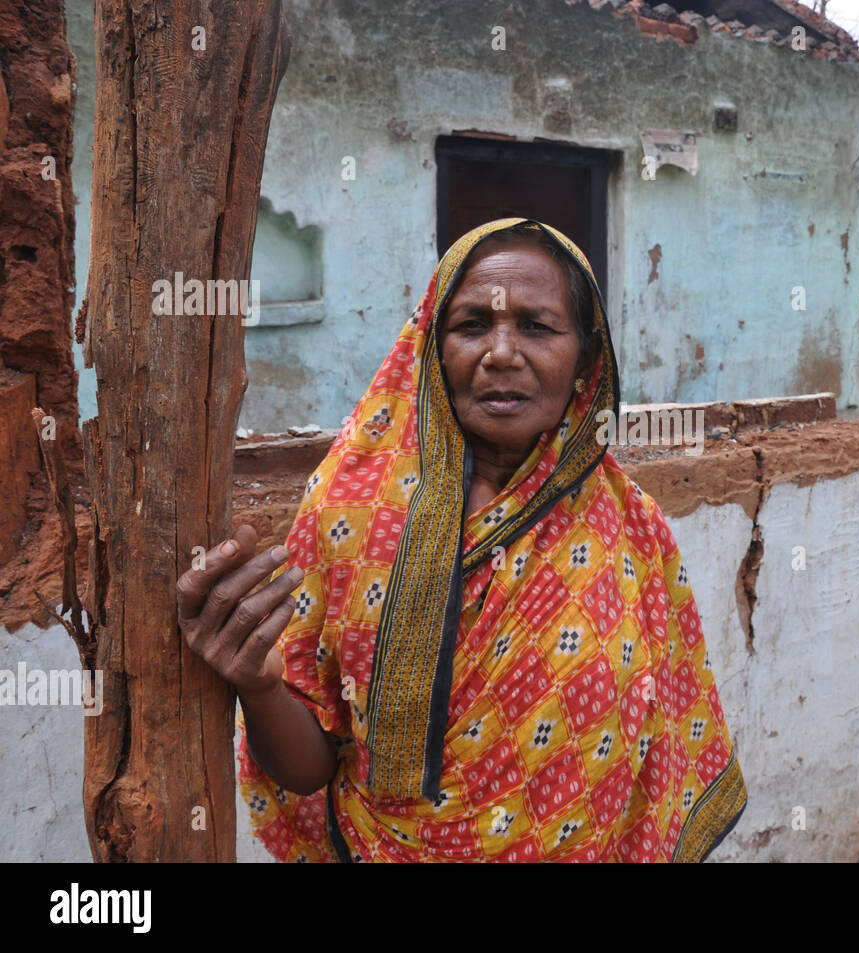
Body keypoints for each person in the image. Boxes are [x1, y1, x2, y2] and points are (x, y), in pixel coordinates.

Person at [176, 218, 747, 861]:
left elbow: (661, 739)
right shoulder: (351, 516)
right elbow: (309, 767)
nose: (501, 353)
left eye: (537, 326)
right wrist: (257, 684)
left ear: (586, 358)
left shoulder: (630, 528)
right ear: (430, 345)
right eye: (473, 325)